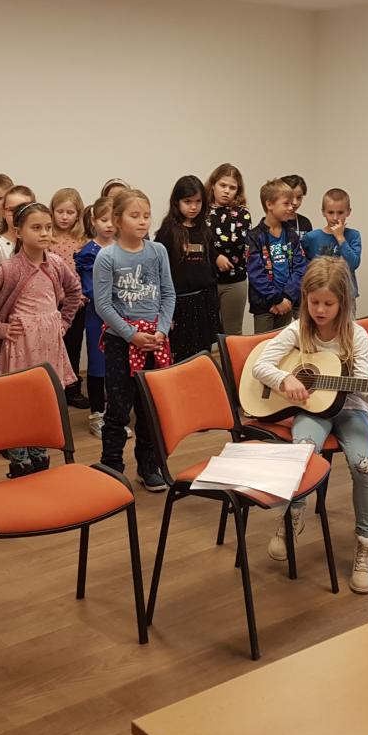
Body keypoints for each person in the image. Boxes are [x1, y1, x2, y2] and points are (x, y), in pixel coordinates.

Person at [251, 257, 368, 594]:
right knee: (303, 453)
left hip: (351, 410)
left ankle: (366, 543)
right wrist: (286, 379)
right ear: (305, 298)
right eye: (314, 302)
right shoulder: (297, 330)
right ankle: (292, 515)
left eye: (328, 304)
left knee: (364, 466)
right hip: (311, 409)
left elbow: (364, 386)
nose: (320, 310)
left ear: (343, 302)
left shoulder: (356, 335)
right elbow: (260, 366)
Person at [0, 201, 82, 478]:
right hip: (21, 346)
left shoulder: (55, 263)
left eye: (48, 227)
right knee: (18, 405)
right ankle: (20, 462)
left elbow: (74, 292)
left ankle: (40, 456)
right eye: (36, 228)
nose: (44, 233)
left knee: (44, 402)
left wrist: (64, 322)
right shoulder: (11, 268)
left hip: (49, 344)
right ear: (18, 232)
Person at [92, 189, 175, 490]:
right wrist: (131, 335)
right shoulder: (107, 257)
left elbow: (168, 294)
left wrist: (161, 331)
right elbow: (103, 305)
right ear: (117, 220)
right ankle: (112, 465)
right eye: (135, 216)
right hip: (122, 342)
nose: (142, 222)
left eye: (146, 216)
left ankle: (148, 465)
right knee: (118, 407)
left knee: (150, 408)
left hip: (155, 340)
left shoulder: (158, 251)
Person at [155, 175, 221, 361]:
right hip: (180, 303)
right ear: (177, 202)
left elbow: (209, 261)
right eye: (188, 202)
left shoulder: (204, 229)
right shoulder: (168, 231)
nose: (193, 207)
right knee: (181, 355)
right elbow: (160, 271)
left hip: (204, 300)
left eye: (198, 201)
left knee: (203, 353)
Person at [75, 196, 116, 438]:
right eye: (103, 220)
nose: (109, 225)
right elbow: (92, 289)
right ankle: (97, 415)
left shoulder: (124, 248)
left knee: (118, 366)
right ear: (93, 221)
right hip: (98, 317)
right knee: (98, 366)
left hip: (123, 317)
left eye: (113, 219)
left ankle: (115, 415)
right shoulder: (89, 252)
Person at [246, 178, 306, 333]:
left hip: (287, 303)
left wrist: (287, 298)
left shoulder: (291, 235)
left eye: (292, 203)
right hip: (264, 305)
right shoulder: (254, 236)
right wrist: (276, 299)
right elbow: (256, 273)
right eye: (286, 203)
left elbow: (300, 267)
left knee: (283, 344)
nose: (291, 207)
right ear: (269, 204)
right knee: (263, 344)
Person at [49, 187, 90, 408]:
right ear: (52, 212)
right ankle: (52, 390)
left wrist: (82, 296)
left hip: (77, 304)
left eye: (70, 212)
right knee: (53, 347)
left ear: (78, 214)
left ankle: (72, 389)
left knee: (73, 347)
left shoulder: (83, 241)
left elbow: (86, 273)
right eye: (60, 211)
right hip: (52, 304)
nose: (64, 217)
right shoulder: (48, 240)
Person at [206, 163, 253, 337]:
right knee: (208, 334)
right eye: (223, 185)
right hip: (207, 281)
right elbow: (198, 242)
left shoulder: (242, 213)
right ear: (213, 185)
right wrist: (215, 256)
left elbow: (236, 241)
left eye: (232, 188)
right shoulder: (202, 211)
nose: (226, 191)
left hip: (234, 281)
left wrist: (214, 248)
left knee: (233, 333)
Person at [300, 188, 362, 311]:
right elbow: (303, 265)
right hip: (320, 297)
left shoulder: (353, 235)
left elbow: (353, 264)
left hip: (346, 296)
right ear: (323, 212)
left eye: (340, 212)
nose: (335, 217)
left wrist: (340, 237)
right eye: (330, 212)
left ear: (348, 212)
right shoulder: (311, 237)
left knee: (347, 324)